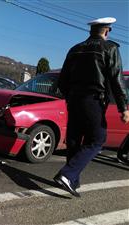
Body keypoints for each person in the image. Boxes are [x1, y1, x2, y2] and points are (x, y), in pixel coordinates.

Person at [54, 17, 129, 197]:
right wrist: (123, 107)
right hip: (94, 100)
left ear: (91, 31)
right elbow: (116, 79)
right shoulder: (110, 48)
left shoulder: (75, 49)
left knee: (74, 139)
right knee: (97, 139)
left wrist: (69, 96)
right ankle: (67, 174)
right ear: (106, 31)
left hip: (74, 99)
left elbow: (62, 79)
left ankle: (73, 180)